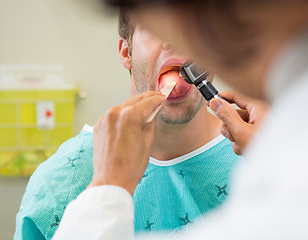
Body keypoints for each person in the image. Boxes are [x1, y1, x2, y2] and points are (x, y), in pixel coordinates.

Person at [53, 0, 308, 239]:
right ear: (126, 53)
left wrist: (105, 194)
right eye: (153, 29)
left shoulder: (293, 157)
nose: (175, 43)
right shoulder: (61, 180)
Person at [13, 9, 254, 240]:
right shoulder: (61, 180)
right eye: (158, 27)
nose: (180, 41)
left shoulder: (260, 154)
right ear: (126, 53)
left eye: (199, 29)